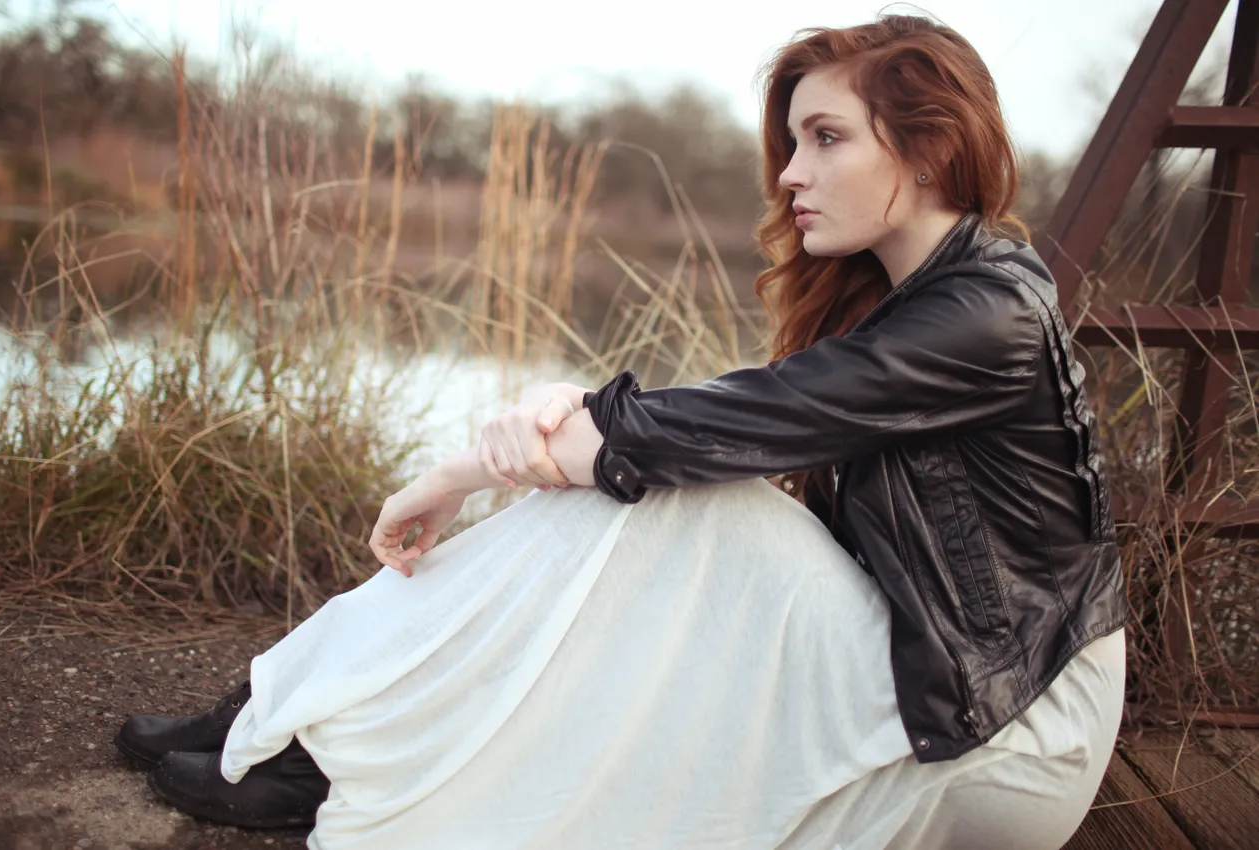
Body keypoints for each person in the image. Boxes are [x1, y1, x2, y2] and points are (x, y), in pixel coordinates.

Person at [116, 14, 1129, 849]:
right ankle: (296, 714)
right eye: (794, 142)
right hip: (934, 672)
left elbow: (724, 428)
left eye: (827, 137)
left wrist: (465, 468)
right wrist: (576, 408)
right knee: (650, 490)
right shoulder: (925, 297)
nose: (790, 174)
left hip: (1007, 736)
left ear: (929, 143)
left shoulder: (983, 315)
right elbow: (732, 412)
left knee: (650, 496)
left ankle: (305, 729)